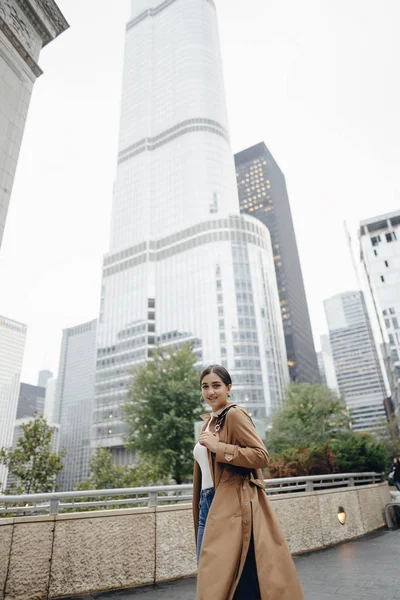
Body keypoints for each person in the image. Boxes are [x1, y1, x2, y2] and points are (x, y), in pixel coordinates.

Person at [193, 364, 304, 600]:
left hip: (229, 504)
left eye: (216, 385)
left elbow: (261, 456)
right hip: (207, 504)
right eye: (205, 386)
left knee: (226, 577)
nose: (210, 392)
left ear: (228, 388)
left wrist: (218, 447)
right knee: (213, 576)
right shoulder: (208, 423)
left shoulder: (234, 415)